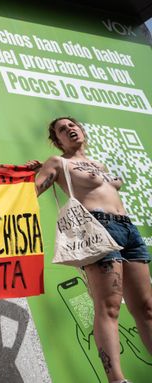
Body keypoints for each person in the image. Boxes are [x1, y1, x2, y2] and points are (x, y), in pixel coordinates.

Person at [31, 116, 152, 383]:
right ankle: (117, 380)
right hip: (98, 228)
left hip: (128, 230)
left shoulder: (99, 164)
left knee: (146, 308)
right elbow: (33, 190)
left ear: (82, 130)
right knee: (108, 306)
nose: (70, 129)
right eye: (62, 130)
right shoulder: (59, 163)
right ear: (57, 140)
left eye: (72, 125)